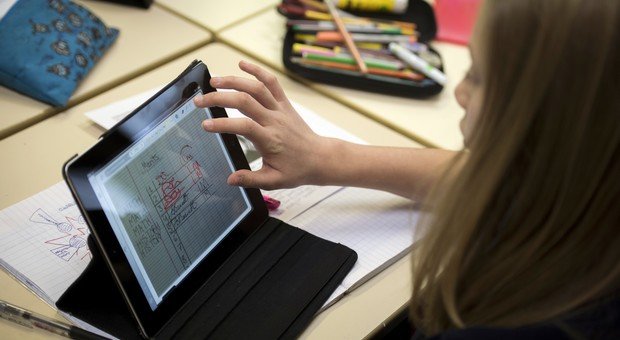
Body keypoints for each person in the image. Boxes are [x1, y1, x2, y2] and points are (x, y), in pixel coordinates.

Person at [194, 0, 619, 338]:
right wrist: (327, 159)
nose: (459, 92)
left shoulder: (513, 324)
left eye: (477, 73)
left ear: (549, 122)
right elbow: (497, 180)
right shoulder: (592, 191)